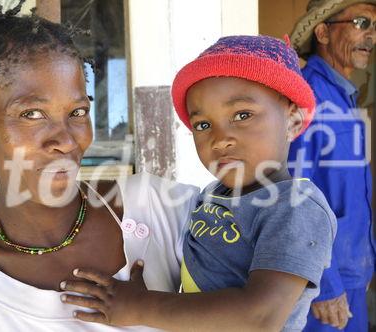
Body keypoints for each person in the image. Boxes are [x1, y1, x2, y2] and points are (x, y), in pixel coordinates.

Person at [0, 2, 200, 331]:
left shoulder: (157, 209)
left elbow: (254, 311)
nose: (65, 140)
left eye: (77, 112)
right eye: (31, 114)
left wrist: (153, 308)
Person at [59, 35, 337, 331]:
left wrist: (141, 306)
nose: (220, 139)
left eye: (242, 115)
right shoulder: (213, 196)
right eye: (203, 125)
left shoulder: (296, 207)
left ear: (293, 120)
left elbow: (261, 317)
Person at [288, 1, 376, 330]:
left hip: (351, 275)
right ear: (323, 32)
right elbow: (293, 195)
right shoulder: (308, 96)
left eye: (375, 26)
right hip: (325, 288)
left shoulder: (342, 95)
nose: (371, 35)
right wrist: (324, 285)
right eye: (360, 22)